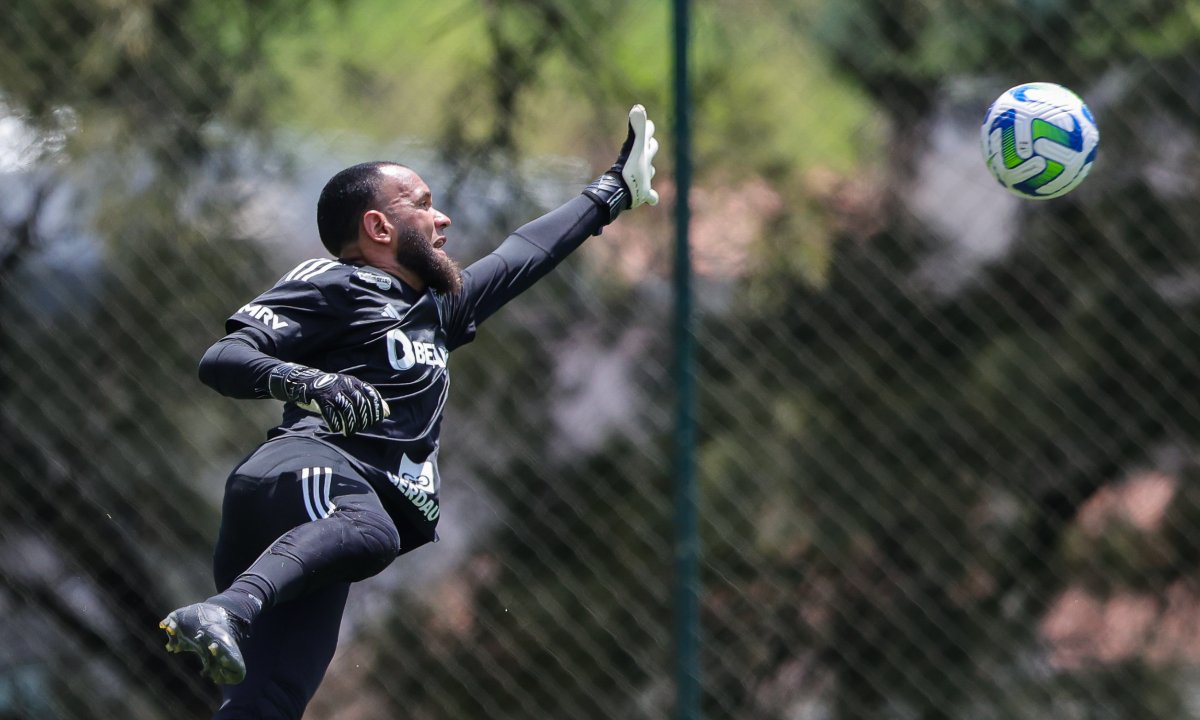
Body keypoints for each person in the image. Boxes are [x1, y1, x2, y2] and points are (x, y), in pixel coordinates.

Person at [157, 105, 659, 718]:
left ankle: (235, 609)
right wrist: (307, 382)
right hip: (305, 475)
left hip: (320, 526)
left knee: (272, 701)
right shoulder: (337, 282)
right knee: (375, 533)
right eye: (421, 202)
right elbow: (224, 357)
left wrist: (613, 190)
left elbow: (525, 252)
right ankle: (226, 611)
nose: (441, 217)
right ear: (378, 225)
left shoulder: (440, 309)